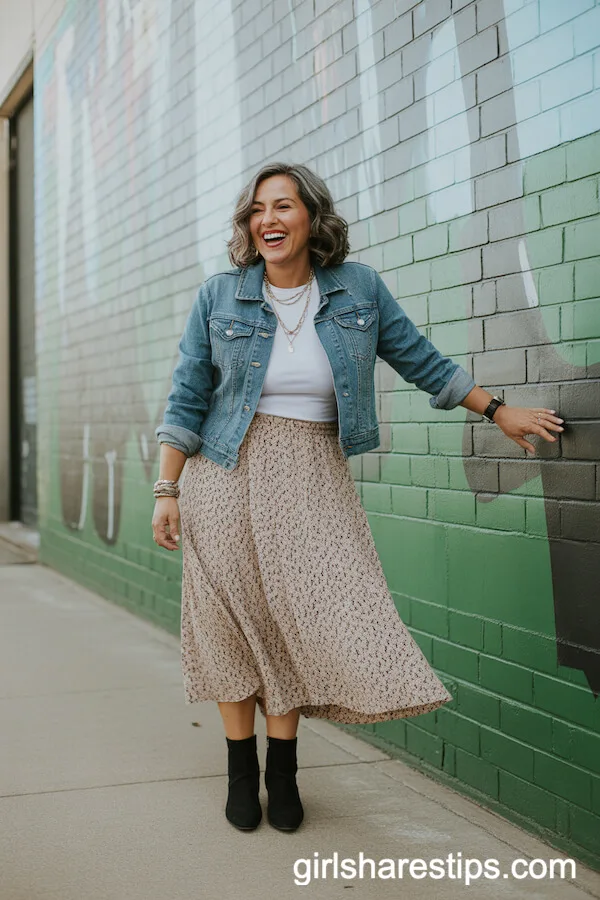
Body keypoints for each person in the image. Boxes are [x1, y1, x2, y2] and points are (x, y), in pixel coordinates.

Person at [152, 162, 564, 833]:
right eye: (257, 209)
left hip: (311, 473)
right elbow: (188, 396)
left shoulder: (357, 289)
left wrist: (498, 410)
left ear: (312, 217)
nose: (268, 220)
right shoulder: (219, 295)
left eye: (283, 206)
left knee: (295, 619)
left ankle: (282, 770)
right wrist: (167, 489)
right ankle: (239, 770)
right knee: (231, 621)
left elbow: (418, 357)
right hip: (223, 471)